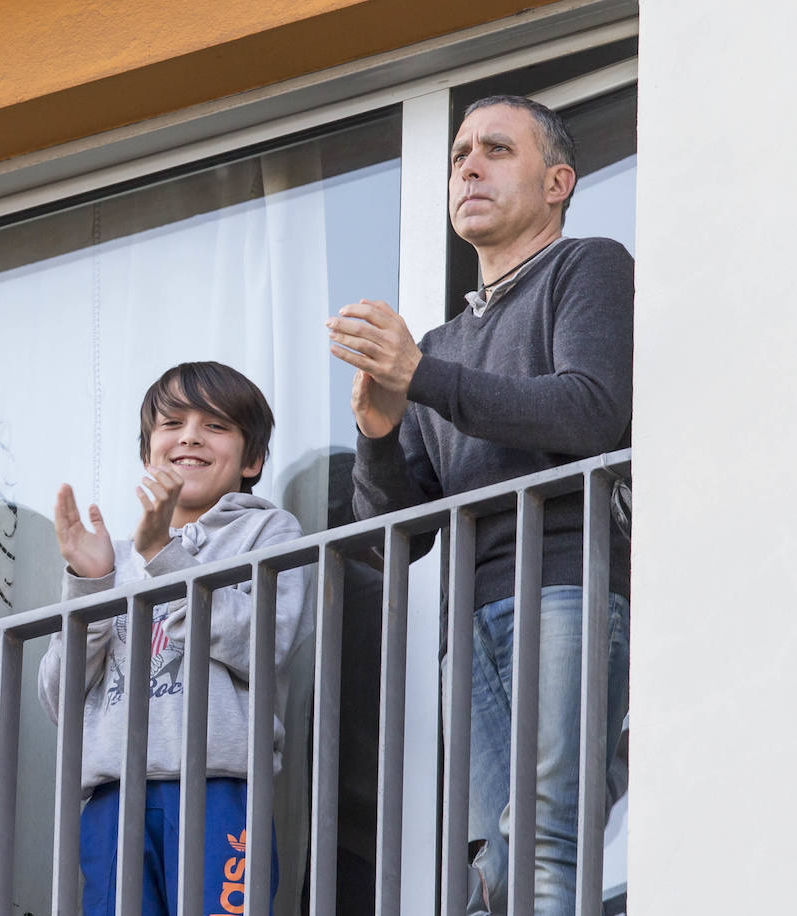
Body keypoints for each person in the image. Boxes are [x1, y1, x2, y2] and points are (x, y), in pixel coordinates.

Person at [326, 95, 632, 916]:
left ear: (558, 180)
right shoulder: (446, 346)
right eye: (459, 152)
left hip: (564, 584)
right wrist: (378, 432)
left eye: (497, 148)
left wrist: (420, 377)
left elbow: (590, 410)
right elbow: (394, 538)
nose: (467, 165)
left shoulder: (587, 267)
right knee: (496, 860)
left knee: (547, 836)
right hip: (470, 618)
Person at [37, 361, 309, 916]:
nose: (190, 435)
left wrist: (165, 556)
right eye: (172, 423)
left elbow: (265, 643)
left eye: (215, 425)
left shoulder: (268, 531)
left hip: (219, 788)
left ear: (251, 459)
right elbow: (60, 696)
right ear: (148, 452)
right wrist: (93, 584)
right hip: (115, 795)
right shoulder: (114, 554)